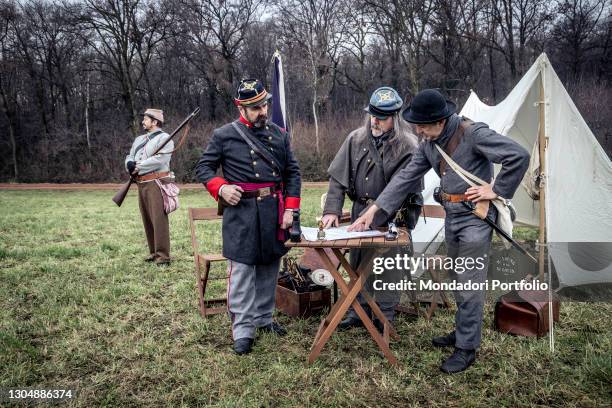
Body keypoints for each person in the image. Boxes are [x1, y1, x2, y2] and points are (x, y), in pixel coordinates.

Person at [349, 89, 530, 373]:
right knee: (460, 279)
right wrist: (373, 211)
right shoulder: (429, 144)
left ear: (441, 121)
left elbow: (518, 155)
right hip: (453, 216)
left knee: (469, 282)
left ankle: (466, 349)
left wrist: (495, 189)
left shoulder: (474, 134)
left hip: (475, 217)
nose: (418, 131)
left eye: (422, 126)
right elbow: (406, 178)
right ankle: (462, 333)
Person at [195, 79, 301, 355]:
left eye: (264, 105)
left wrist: (290, 209)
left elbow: (292, 173)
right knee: (242, 272)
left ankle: (264, 319)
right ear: (240, 107)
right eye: (254, 108)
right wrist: (222, 188)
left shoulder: (280, 134)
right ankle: (243, 329)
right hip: (241, 213)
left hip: (273, 211)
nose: (262, 111)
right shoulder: (224, 135)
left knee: (269, 267)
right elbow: (204, 168)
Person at [321, 86, 421, 331]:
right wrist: (332, 210)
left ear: (395, 119)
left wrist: (382, 215)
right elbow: (338, 179)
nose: (374, 121)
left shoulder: (409, 145)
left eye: (381, 117)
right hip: (359, 212)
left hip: (392, 216)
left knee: (388, 268)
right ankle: (358, 312)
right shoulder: (355, 138)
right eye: (372, 115)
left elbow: (403, 189)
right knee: (358, 264)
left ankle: (384, 317)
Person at [125, 108, 174, 266]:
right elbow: (130, 155)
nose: (143, 122)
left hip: (156, 182)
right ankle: (153, 253)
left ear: (155, 122)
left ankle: (163, 257)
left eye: (146, 119)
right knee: (147, 218)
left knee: (158, 219)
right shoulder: (139, 139)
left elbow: (160, 160)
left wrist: (138, 166)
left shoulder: (165, 138)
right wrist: (129, 164)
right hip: (142, 182)